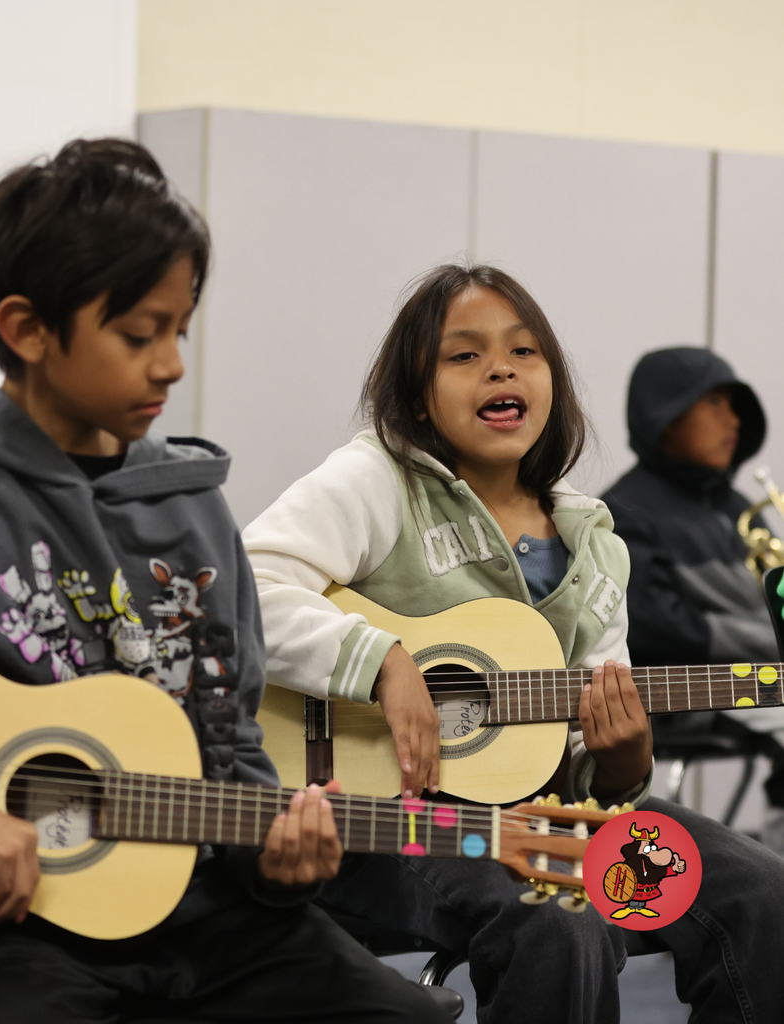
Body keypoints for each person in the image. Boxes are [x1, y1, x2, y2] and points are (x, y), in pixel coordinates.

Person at [0, 139, 451, 1024]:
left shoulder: (192, 511)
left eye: (179, 330)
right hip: (4, 929)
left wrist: (275, 865)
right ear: (27, 329)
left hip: (197, 911)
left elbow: (228, 752)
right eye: (138, 335)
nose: (172, 366)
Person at [244, 266, 784, 1023]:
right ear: (416, 393)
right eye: (463, 355)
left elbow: (604, 786)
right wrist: (382, 664)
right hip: (392, 817)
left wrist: (623, 756)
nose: (499, 367)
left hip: (553, 817)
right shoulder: (377, 480)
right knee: (560, 923)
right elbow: (244, 590)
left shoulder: (592, 542)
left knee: (762, 895)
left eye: (523, 352)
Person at [601, 346, 784, 850]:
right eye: (715, 404)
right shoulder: (623, 511)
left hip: (760, 678)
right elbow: (662, 625)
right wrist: (771, 641)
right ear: (666, 417)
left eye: (737, 407)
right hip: (686, 691)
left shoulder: (736, 505)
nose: (733, 421)